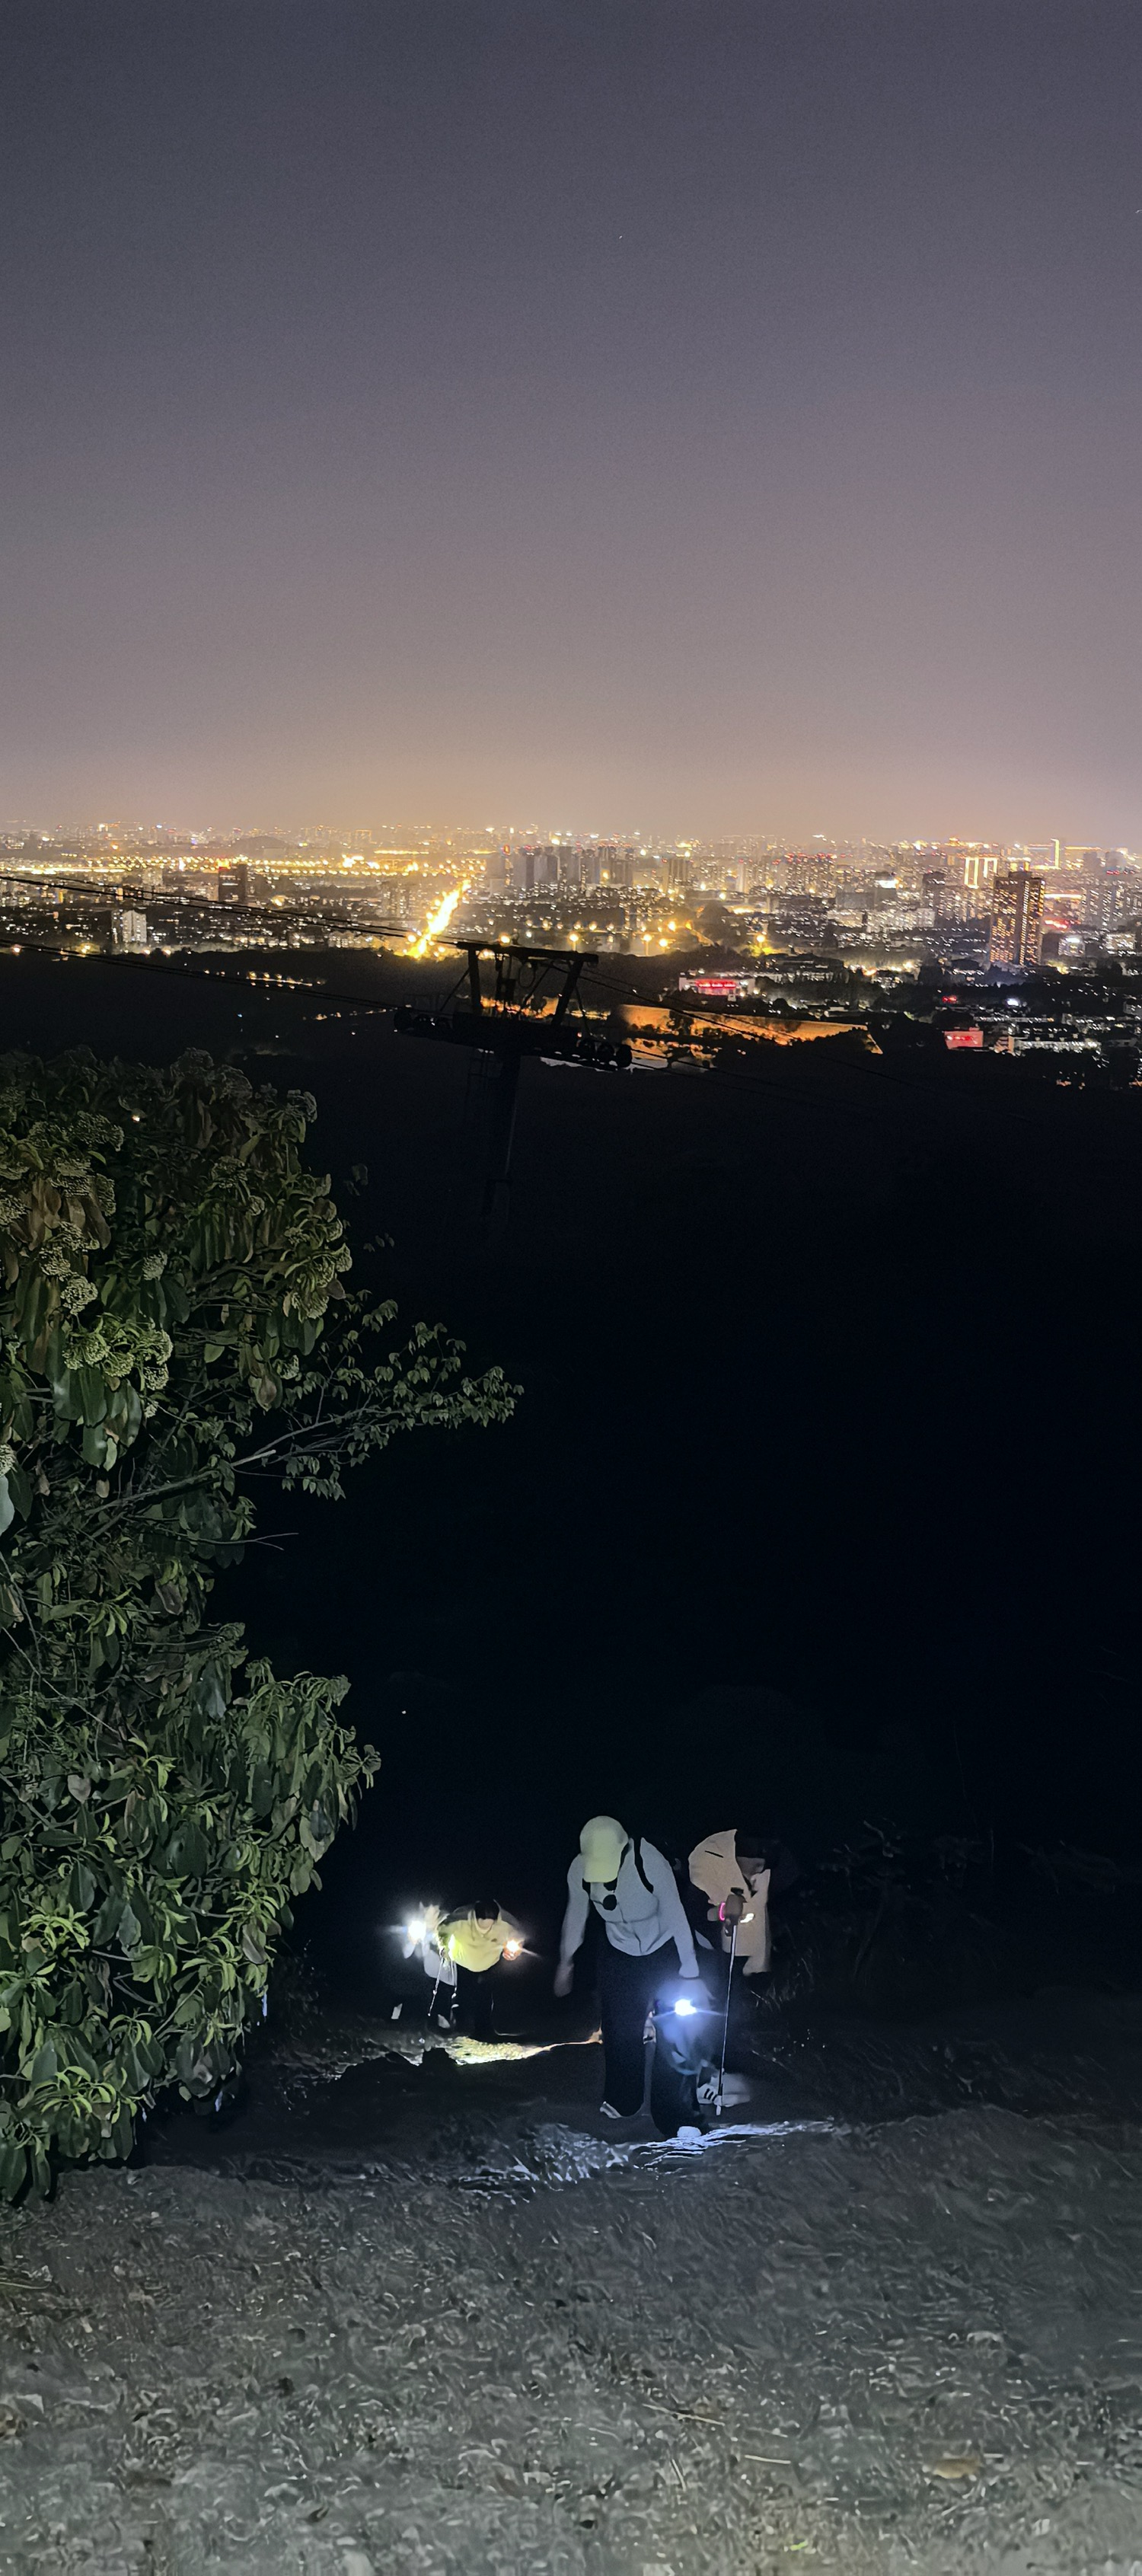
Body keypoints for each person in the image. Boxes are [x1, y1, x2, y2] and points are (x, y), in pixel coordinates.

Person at [555, 1815, 707, 2132]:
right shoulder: (579, 1869)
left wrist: (690, 1971)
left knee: (676, 2027)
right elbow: (576, 1915)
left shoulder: (649, 1861)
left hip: (663, 1948)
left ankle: (677, 2113)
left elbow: (676, 1915)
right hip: (619, 1952)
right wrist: (565, 1962)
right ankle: (624, 2100)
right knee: (620, 2030)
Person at [437, 1901, 522, 2041]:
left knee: (485, 1995)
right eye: (481, 1927)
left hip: (489, 1963)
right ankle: (459, 2029)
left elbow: (519, 1937)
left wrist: (514, 1951)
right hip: (463, 1960)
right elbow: (443, 1929)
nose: (484, 1931)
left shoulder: (507, 1923)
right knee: (462, 1995)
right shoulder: (460, 1918)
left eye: (489, 1926)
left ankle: (484, 2031)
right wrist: (444, 1946)